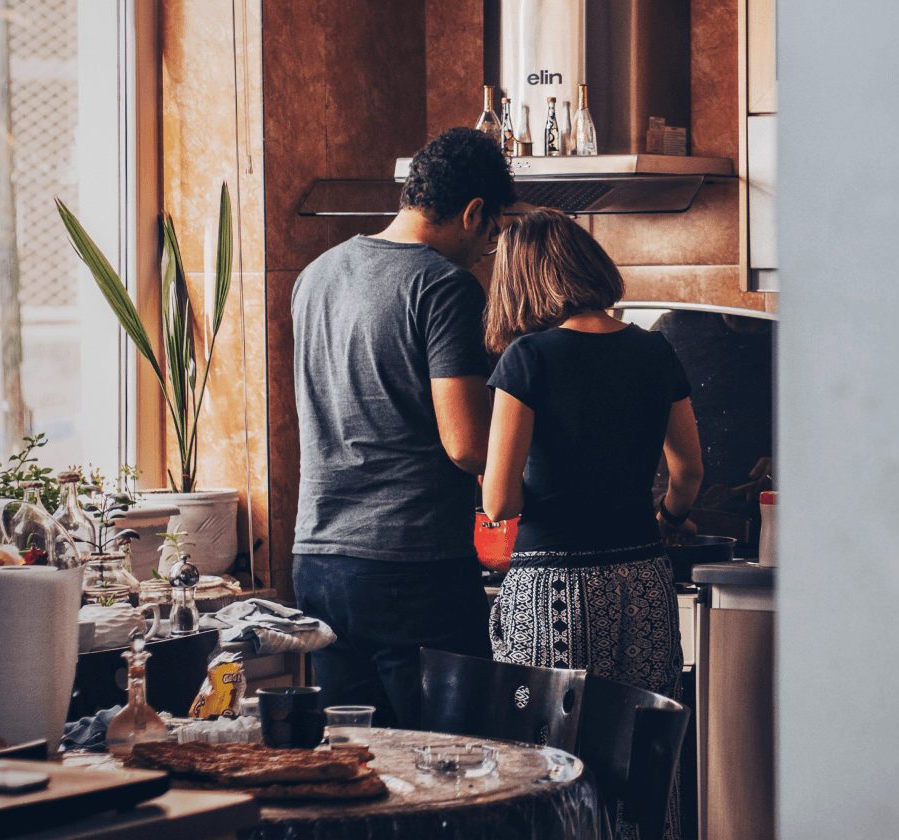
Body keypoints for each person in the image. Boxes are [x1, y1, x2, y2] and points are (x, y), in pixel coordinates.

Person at [481, 208, 700, 838]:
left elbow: (499, 501)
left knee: (548, 766)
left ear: (522, 280)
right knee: (643, 764)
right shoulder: (655, 349)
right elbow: (688, 471)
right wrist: (665, 519)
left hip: (553, 590)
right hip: (642, 582)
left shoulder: (528, 359)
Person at [291, 127, 516, 729]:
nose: (485, 250)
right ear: (474, 213)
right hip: (409, 567)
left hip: (318, 561)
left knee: (360, 767)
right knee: (457, 769)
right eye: (492, 235)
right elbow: (467, 445)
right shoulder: (445, 287)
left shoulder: (315, 276)